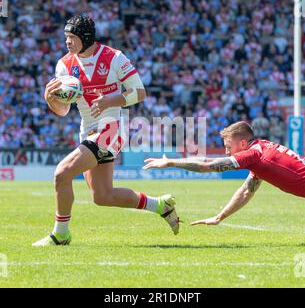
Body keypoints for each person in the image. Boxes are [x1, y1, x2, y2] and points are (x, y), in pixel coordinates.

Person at [33, 15, 179, 246]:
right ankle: (161, 205)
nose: (67, 42)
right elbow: (62, 110)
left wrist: (110, 101)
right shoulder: (64, 65)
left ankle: (60, 234)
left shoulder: (114, 57)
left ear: (86, 37)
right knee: (102, 196)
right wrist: (49, 98)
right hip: (88, 131)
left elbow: (139, 92)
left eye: (72, 37)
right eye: (66, 37)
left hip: (112, 129)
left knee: (62, 173)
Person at [143, 121, 305, 226]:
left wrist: (172, 162)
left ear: (242, 143)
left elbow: (208, 164)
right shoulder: (259, 153)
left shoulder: (254, 154)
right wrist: (220, 217)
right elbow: (246, 191)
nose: (227, 152)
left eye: (229, 147)